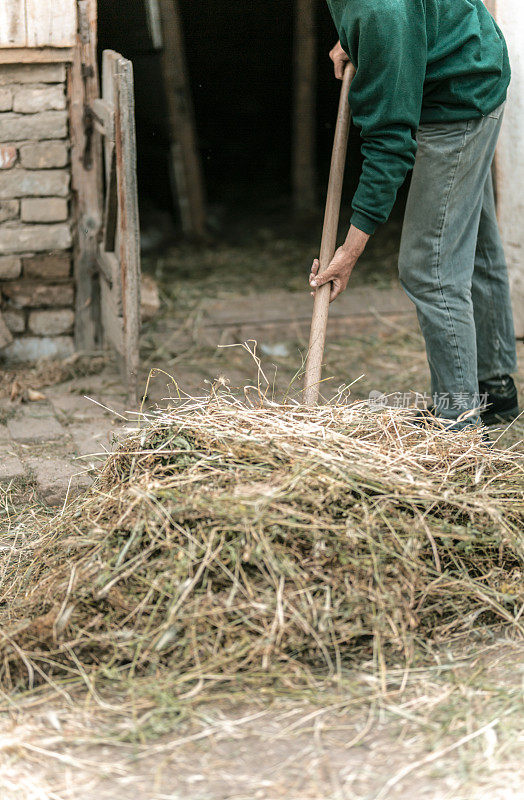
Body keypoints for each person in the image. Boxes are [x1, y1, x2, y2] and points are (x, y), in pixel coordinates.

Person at [309, 0, 519, 428]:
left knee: (429, 269)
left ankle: (458, 423)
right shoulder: (378, 14)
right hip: (474, 64)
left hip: (459, 103)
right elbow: (407, 17)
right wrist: (359, 40)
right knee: (473, 242)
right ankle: (495, 390)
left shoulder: (380, 10)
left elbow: (390, 146)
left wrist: (348, 253)